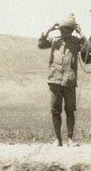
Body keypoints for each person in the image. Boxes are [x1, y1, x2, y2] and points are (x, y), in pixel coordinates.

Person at [37, 14, 87, 147]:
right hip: (55, 80)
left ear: (71, 30)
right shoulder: (54, 40)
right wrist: (49, 30)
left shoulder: (76, 42)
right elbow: (41, 44)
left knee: (70, 110)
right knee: (55, 110)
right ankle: (58, 139)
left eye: (66, 30)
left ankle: (70, 139)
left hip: (69, 81)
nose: (63, 32)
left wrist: (81, 33)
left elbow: (87, 49)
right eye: (62, 29)